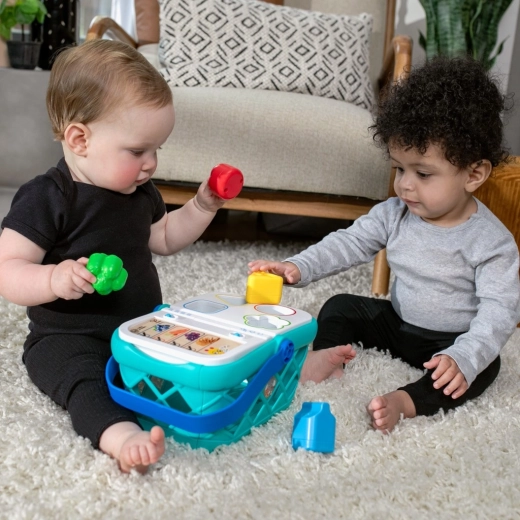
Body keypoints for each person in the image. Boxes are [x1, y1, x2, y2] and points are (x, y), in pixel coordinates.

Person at [249, 57, 520, 432]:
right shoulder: (395, 213)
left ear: (474, 174)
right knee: (340, 306)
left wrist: (465, 355)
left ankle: (406, 401)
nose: (405, 184)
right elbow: (349, 242)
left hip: (449, 341)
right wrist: (299, 266)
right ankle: (325, 357)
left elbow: (499, 310)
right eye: (399, 169)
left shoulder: (492, 242)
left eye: (422, 173)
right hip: (398, 323)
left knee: (483, 367)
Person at [0, 40, 233, 473]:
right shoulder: (49, 197)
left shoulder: (140, 192)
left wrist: (202, 206)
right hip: (67, 338)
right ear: (80, 139)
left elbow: (165, 237)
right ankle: (120, 436)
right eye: (138, 151)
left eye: (157, 149)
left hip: (141, 329)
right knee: (85, 383)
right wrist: (53, 279)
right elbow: (8, 269)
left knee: (195, 356)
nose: (151, 163)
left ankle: (266, 376)